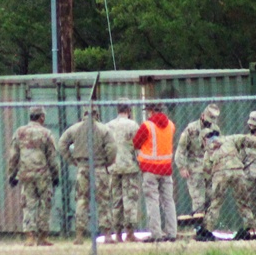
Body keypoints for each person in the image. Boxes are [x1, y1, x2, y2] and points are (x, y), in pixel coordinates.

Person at [58, 108, 117, 244]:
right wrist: (108, 162)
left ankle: (79, 235)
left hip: (83, 168)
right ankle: (107, 234)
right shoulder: (104, 129)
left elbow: (62, 144)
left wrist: (71, 160)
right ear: (97, 114)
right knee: (103, 201)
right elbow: (112, 149)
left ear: (83, 115)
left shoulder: (74, 129)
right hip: (99, 167)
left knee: (82, 200)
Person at [195, 130, 256, 242]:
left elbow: (206, 169)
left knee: (215, 203)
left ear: (205, 139)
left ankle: (207, 230)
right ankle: (250, 229)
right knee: (243, 202)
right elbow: (246, 138)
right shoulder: (230, 139)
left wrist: (210, 187)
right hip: (237, 171)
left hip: (220, 174)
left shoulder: (209, 150)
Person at [8, 106, 61, 247]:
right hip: (43, 174)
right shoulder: (46, 134)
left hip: (25, 174)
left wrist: (11, 174)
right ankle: (42, 237)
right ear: (41, 117)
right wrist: (56, 175)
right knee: (45, 204)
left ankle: (30, 237)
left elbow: (13, 156)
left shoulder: (19, 133)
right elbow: (52, 157)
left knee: (28, 204)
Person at [133, 102, 177, 242]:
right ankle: (172, 233)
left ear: (151, 111)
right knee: (168, 201)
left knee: (153, 201)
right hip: (166, 169)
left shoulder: (147, 126)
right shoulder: (171, 125)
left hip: (150, 170)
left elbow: (136, 143)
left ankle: (156, 234)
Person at [175, 103, 221, 216]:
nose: (209, 123)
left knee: (211, 198)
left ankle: (208, 228)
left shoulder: (215, 129)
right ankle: (199, 226)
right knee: (198, 200)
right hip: (195, 168)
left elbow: (219, 149)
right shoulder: (191, 129)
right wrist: (182, 167)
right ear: (202, 115)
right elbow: (181, 149)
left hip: (210, 168)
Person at [106, 100, 142, 242]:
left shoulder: (109, 126)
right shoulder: (133, 125)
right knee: (130, 199)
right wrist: (140, 163)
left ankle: (117, 233)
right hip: (129, 166)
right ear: (129, 110)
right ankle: (130, 232)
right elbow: (138, 146)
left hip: (113, 166)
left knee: (116, 200)